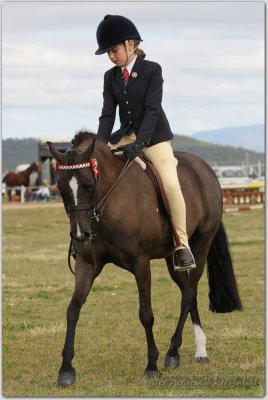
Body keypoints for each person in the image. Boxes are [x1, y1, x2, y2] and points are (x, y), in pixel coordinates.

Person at [95, 14, 196, 271]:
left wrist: (140, 144)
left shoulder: (152, 69)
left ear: (130, 44)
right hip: (126, 135)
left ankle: (182, 245)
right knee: (94, 171)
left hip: (155, 137)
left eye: (113, 50)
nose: (111, 57)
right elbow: (108, 114)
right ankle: (89, 237)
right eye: (107, 53)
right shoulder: (110, 77)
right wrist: (99, 146)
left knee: (171, 183)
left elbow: (152, 111)